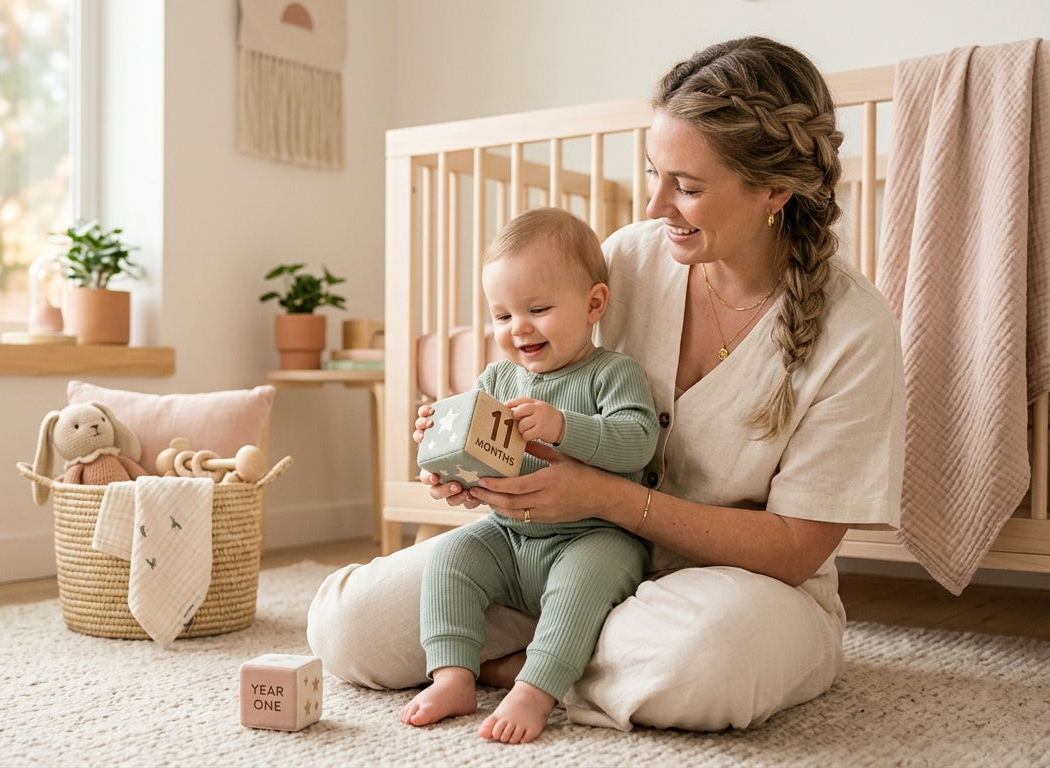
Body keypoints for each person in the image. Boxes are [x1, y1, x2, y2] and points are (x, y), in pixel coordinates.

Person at [307, 35, 905, 732]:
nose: (654, 204)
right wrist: (479, 467)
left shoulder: (855, 328)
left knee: (702, 664)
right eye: (654, 173)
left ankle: (523, 666)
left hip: (741, 588)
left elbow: (796, 549)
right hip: (556, 554)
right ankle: (554, 659)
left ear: (774, 190)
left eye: (686, 186)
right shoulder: (628, 260)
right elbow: (548, 392)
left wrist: (606, 498)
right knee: (348, 627)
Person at [401, 207, 658, 743]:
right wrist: (447, 459)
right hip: (509, 533)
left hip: (592, 536)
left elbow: (637, 443)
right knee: (450, 555)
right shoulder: (497, 376)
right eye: (501, 316)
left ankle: (535, 688)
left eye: (538, 308)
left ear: (593, 304)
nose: (518, 327)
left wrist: (565, 427)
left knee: (583, 584)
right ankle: (453, 675)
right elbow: (482, 450)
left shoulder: (612, 372)